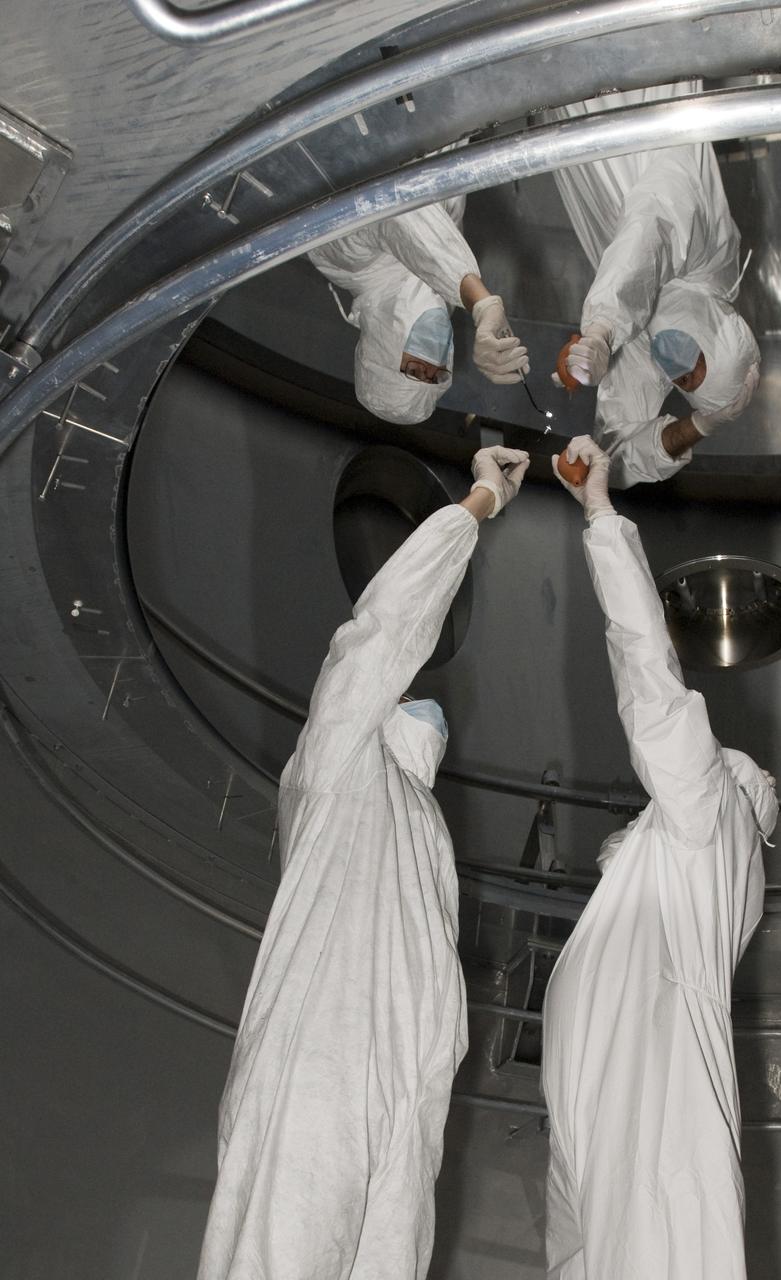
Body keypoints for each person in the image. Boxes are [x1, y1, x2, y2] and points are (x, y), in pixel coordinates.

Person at [196, 444, 531, 1280]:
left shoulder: (418, 825)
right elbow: (382, 631)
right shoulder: (333, 770)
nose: (418, 696)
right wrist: (477, 505)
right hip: (316, 1063)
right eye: (402, 692)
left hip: (405, 1094)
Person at [543, 435, 777, 1279]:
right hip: (602, 1099)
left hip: (657, 1103)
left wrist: (602, 516)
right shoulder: (659, 874)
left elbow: (649, 672)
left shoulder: (705, 815)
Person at [549, 84, 760, 488]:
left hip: (571, 103)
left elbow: (617, 455)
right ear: (716, 335)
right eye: (696, 364)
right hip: (638, 87)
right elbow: (652, 225)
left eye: (683, 382)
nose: (678, 368)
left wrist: (700, 425)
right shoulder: (713, 260)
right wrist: (603, 328)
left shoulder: (644, 335)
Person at [308, 197, 529, 424]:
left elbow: (397, 204)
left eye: (416, 366)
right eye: (437, 370)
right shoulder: (435, 297)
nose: (433, 351)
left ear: (383, 349)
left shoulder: (341, 257)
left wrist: (481, 302)